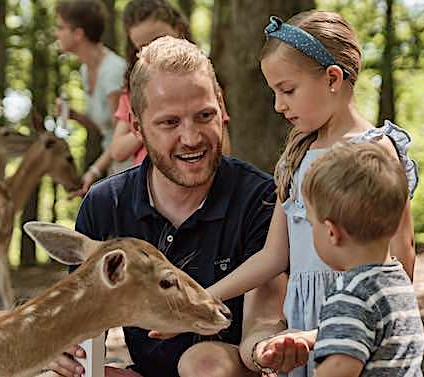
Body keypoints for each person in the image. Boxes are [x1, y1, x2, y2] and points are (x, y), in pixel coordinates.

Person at [47, 36, 307, 377]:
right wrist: (65, 349)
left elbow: (263, 319)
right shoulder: (104, 205)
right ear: (138, 127)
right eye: (170, 122)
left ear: (222, 108)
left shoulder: (260, 199)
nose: (191, 137)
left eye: (204, 116)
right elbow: (83, 322)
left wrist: (266, 350)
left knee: (204, 364)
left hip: (226, 367)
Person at [204, 11, 419, 377]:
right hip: (301, 325)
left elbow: (402, 257)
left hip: (357, 319)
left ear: (333, 78)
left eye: (287, 90)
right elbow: (273, 255)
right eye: (274, 92)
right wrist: (204, 298)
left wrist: (373, 324)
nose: (278, 105)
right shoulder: (297, 156)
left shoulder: (374, 152)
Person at [293, 141, 424, 376]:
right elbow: (372, 332)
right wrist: (316, 336)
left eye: (311, 224)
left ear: (332, 232)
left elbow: (341, 368)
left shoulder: (350, 293)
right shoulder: (396, 280)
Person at [109, 0, 231, 167]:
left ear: (179, 30)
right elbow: (117, 151)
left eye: (159, 40)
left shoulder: (204, 86)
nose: (154, 50)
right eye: (142, 47)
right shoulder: (134, 93)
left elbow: (224, 150)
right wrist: (153, 124)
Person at [54, 0, 127, 196]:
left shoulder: (113, 71)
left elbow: (121, 133)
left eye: (61, 27)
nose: (56, 33)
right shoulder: (86, 70)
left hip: (129, 165)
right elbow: (104, 127)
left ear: (78, 33)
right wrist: (74, 115)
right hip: (114, 166)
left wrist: (94, 171)